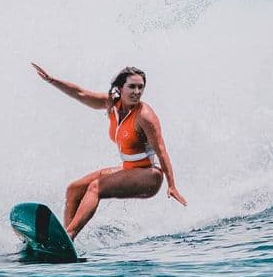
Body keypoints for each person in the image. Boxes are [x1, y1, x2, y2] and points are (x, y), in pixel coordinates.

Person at [31, 62, 187, 239]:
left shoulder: (145, 116)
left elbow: (162, 151)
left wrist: (172, 185)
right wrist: (52, 80)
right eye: (132, 87)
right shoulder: (111, 104)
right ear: (120, 88)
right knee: (74, 189)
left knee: (96, 187)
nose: (137, 92)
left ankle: (69, 235)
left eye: (140, 87)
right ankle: (67, 244)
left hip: (150, 175)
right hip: (131, 169)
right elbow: (80, 93)